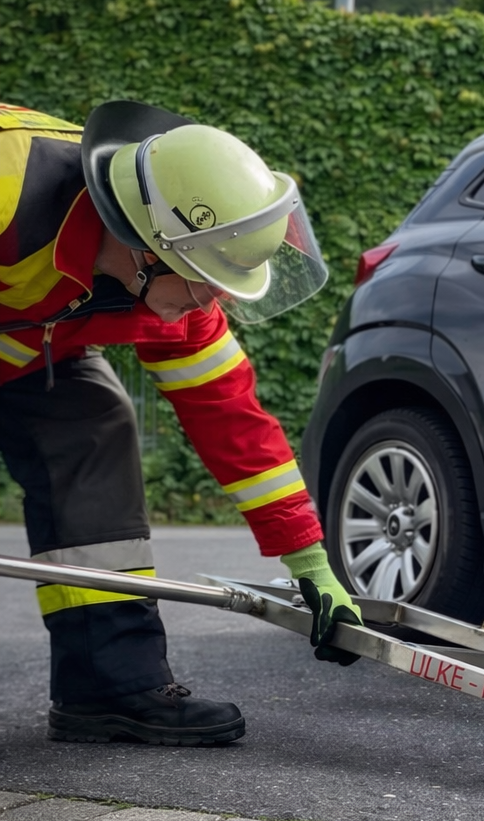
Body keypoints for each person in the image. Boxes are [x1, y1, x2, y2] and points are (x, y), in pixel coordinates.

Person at [0, 100, 362, 746]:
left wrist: (311, 559)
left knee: (95, 423)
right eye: (205, 281)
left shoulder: (179, 299)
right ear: (146, 247)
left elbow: (235, 423)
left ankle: (108, 686)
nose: (211, 300)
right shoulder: (8, 186)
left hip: (24, 353)